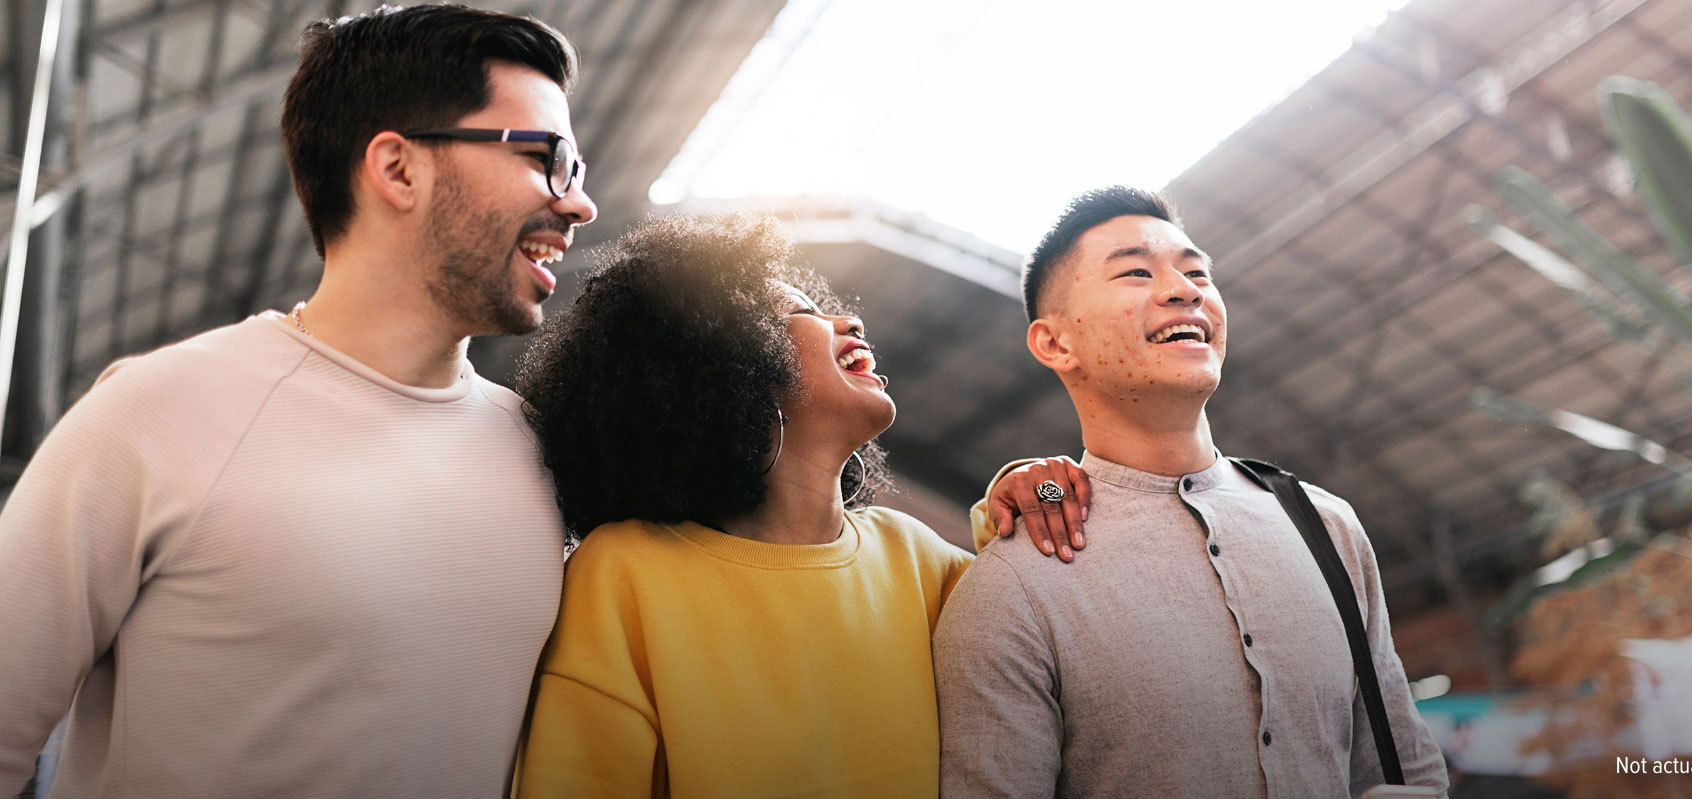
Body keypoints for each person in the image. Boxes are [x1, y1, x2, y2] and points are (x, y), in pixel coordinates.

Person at [0, 6, 598, 796]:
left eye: (578, 172)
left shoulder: (543, 456)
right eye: (547, 157)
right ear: (397, 169)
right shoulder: (156, 414)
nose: (579, 204)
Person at [933, 186, 1448, 798]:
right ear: (1054, 343)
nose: (1184, 289)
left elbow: (1405, 769)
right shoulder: (1010, 591)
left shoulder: (1327, 527)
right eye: (1134, 272)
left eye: (1197, 269)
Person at [510, 213, 970, 797]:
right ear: (730, 363)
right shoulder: (622, 574)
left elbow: (1042, 591)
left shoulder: (920, 558)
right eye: (802, 314)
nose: (849, 318)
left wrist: (1039, 485)